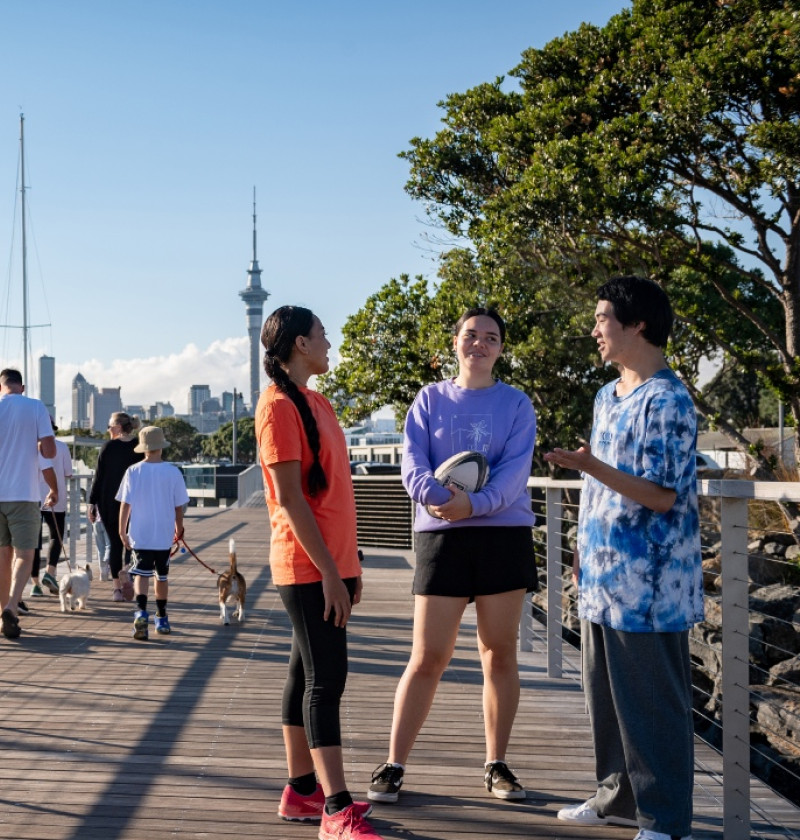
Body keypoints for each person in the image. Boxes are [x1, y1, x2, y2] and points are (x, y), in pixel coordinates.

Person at [544, 276, 702, 840]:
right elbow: (598, 493)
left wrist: (588, 466)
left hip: (652, 584)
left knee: (655, 706)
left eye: (603, 318)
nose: (594, 330)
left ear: (637, 324)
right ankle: (615, 799)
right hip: (603, 577)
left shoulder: (669, 399)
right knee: (606, 699)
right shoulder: (605, 396)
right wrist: (582, 552)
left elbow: (660, 494)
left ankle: (665, 821)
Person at [368, 306, 538, 805]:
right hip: (441, 535)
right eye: (470, 335)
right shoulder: (429, 399)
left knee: (498, 653)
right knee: (427, 657)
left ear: (501, 348)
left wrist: (475, 504)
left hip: (501, 534)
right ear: (456, 343)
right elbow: (411, 463)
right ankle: (394, 763)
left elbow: (513, 473)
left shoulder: (516, 404)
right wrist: (444, 501)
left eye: (490, 337)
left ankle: (497, 765)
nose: (479, 344)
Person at [255, 305, 382, 840]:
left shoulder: (316, 401)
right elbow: (289, 499)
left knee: (303, 674)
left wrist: (348, 566)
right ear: (301, 344)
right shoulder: (277, 406)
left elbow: (334, 495)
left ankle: (302, 791)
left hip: (330, 564)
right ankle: (335, 808)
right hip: (307, 566)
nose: (329, 343)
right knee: (327, 680)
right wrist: (329, 572)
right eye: (323, 336)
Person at [116, 425, 189, 640]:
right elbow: (179, 507)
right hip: (163, 535)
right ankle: (162, 616)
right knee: (162, 576)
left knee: (141, 574)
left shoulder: (133, 471)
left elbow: (125, 504)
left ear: (144, 448)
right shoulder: (173, 471)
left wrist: (122, 530)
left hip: (140, 533)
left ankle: (140, 613)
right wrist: (179, 529)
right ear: (161, 447)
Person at [0, 368, 57, 638]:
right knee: (24, 554)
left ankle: (3, 614)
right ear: (21, 387)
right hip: (23, 493)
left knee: (2, 556)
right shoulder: (35, 407)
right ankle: (11, 606)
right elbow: (49, 451)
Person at [87, 411, 143, 600]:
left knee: (115, 543)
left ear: (118, 427)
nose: (108, 429)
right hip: (134, 502)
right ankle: (129, 575)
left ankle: (117, 589)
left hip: (109, 503)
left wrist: (91, 503)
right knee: (131, 543)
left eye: (110, 426)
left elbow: (99, 477)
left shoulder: (108, 447)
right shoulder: (139, 447)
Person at [32, 418, 74, 597]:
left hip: (33, 497)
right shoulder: (62, 447)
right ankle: (50, 572)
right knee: (56, 537)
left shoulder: (31, 448)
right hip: (57, 498)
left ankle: (35, 584)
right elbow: (68, 473)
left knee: (34, 541)